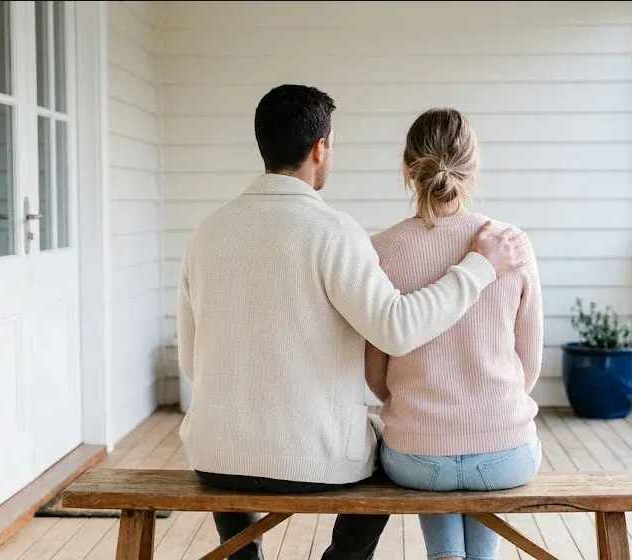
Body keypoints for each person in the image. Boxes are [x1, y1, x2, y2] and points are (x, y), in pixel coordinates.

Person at [176, 85, 532, 560]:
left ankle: (242, 554)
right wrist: (477, 269)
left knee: (234, 438)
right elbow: (396, 329)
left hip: (212, 457)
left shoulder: (207, 233)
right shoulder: (334, 232)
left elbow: (190, 361)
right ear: (319, 148)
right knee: (387, 450)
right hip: (315, 463)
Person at [365, 108, 544, 560]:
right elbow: (530, 366)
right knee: (476, 454)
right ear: (473, 167)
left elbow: (375, 376)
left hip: (416, 458)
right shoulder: (511, 243)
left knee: (435, 454)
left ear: (409, 171)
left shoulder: (380, 250)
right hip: (505, 452)